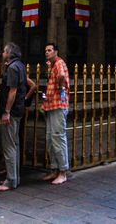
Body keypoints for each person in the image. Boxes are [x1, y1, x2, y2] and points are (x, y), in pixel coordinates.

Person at [0, 42, 36, 192]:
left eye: (5, 51)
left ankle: (11, 180)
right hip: (19, 110)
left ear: (9, 53)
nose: (3, 53)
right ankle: (14, 177)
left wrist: (6, 111)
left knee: (9, 145)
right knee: (15, 144)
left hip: (12, 111)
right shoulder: (20, 66)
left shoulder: (12, 67)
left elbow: (12, 91)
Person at [41, 42, 70, 185]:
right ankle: (54, 169)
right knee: (50, 138)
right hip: (51, 105)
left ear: (56, 52)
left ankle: (63, 171)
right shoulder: (51, 65)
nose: (47, 52)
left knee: (58, 137)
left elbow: (62, 76)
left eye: (50, 50)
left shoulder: (59, 63)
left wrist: (59, 85)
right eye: (46, 50)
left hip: (58, 105)